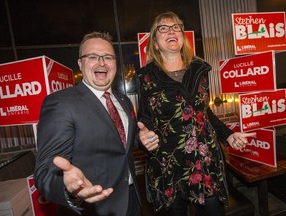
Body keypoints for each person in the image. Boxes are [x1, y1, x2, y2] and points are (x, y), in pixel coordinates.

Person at [137, 11, 256, 216]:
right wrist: (142, 136)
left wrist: (228, 134)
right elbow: (145, 118)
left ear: (182, 37)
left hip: (205, 160)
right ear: (155, 42)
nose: (171, 31)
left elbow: (205, 112)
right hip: (169, 164)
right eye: (163, 28)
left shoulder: (200, 69)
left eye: (176, 27)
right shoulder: (147, 76)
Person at [34, 31, 158, 216]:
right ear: (80, 63)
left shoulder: (123, 100)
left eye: (108, 57)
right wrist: (69, 188)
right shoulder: (61, 103)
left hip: (132, 199)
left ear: (115, 63)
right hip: (94, 207)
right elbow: (45, 170)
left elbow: (123, 142)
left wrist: (142, 140)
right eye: (93, 56)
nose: (101, 62)